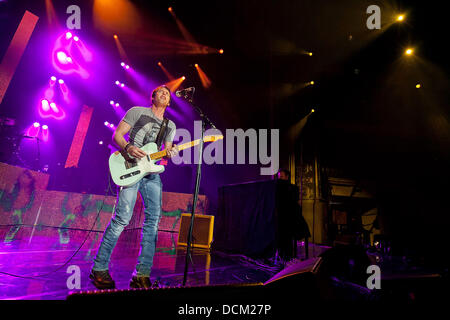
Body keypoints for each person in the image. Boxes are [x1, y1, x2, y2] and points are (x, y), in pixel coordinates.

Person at [90, 85, 178, 289]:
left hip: (151, 174)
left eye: (168, 93)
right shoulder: (137, 112)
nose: (165, 94)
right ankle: (99, 268)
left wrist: (170, 154)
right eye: (161, 92)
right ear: (153, 96)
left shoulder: (170, 125)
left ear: (169, 101)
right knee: (122, 218)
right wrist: (128, 147)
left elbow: (166, 152)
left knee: (153, 221)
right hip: (130, 167)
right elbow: (117, 135)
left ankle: (142, 274)